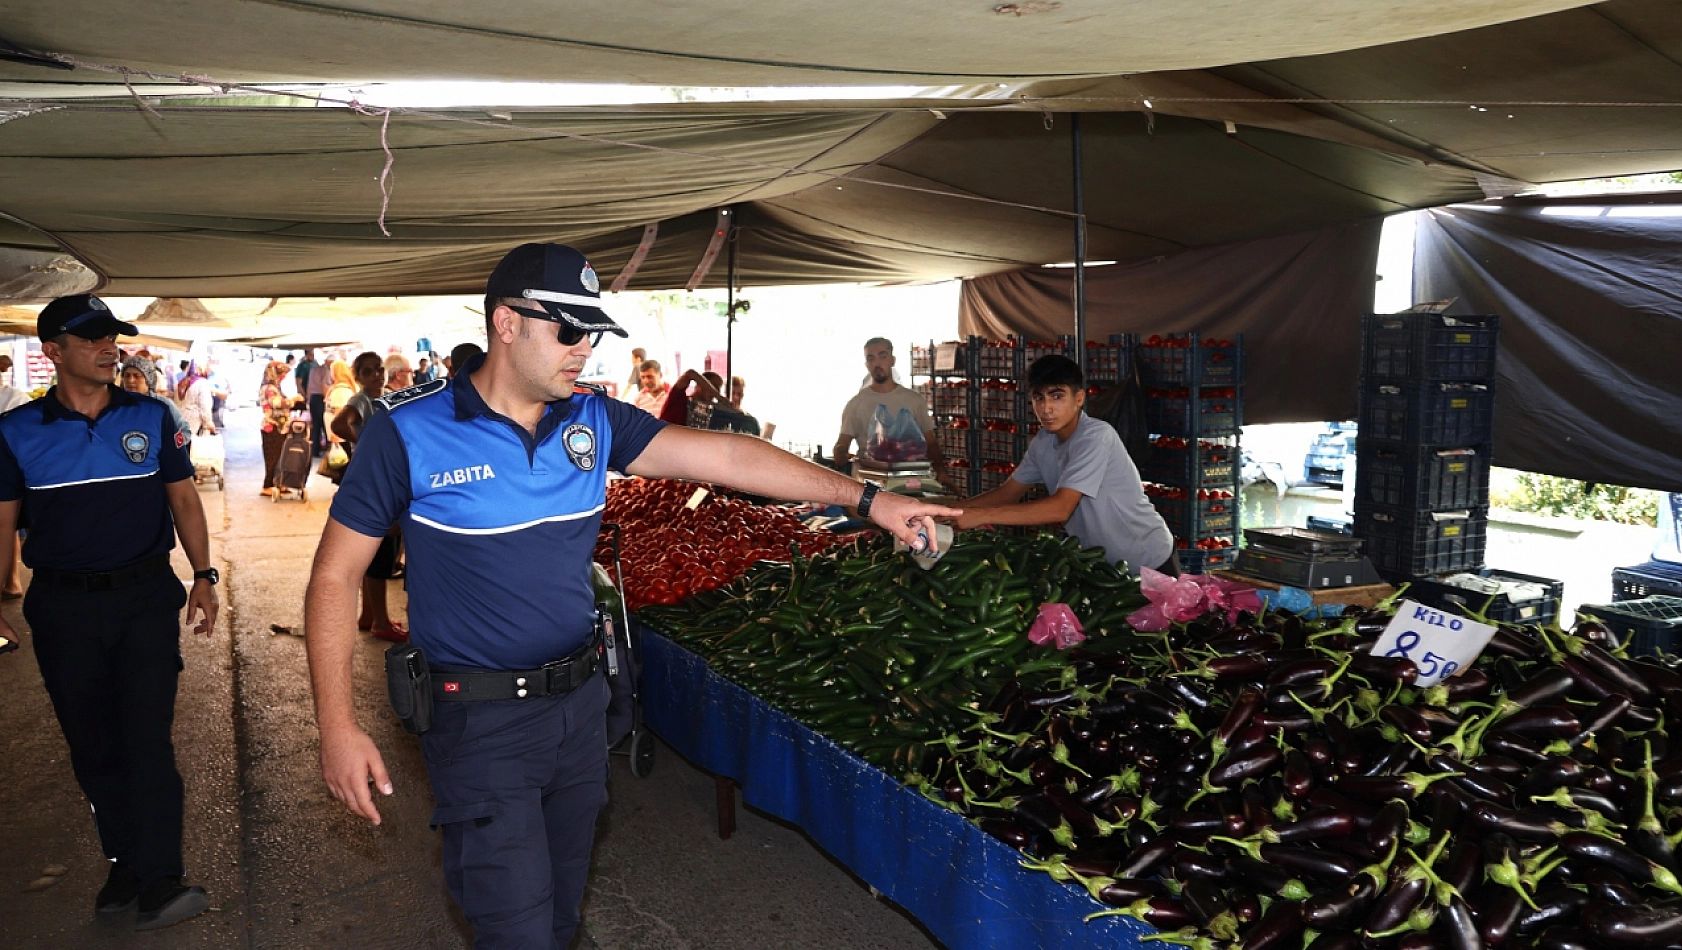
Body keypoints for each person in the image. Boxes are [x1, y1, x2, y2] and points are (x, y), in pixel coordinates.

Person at [303, 242, 951, 950]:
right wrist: (337, 726)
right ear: (506, 323)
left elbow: (727, 456)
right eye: (569, 331)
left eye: (593, 333)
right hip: (479, 725)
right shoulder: (408, 432)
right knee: (514, 928)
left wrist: (868, 499)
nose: (584, 351)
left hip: (580, 712)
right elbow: (335, 575)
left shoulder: (592, 421)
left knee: (557, 917)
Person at [0, 294, 220, 930]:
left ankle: (160, 878)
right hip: (63, 608)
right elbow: (3, 524)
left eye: (112, 337)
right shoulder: (15, 434)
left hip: (145, 599)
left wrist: (203, 576)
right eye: (92, 337)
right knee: (92, 745)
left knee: (145, 738)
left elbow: (184, 502)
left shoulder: (152, 418)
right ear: (53, 352)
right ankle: (124, 866)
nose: (109, 347)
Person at [944, 355, 1178, 577]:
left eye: (1057, 397)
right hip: (1102, 565)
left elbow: (1061, 508)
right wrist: (948, 513)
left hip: (1147, 561)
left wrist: (979, 516)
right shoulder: (1043, 442)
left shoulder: (1095, 437)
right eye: (1039, 398)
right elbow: (1008, 493)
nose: (1046, 408)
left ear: (1079, 399)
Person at [329, 352, 406, 642]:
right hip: (377, 482)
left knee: (370, 550)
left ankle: (369, 614)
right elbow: (339, 425)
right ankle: (381, 621)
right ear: (358, 375)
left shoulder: (386, 396)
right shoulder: (361, 400)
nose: (377, 375)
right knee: (381, 551)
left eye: (379, 369)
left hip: (382, 478)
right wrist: (364, 444)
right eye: (369, 371)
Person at [833, 338, 943, 474]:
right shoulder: (856, 404)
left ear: (893, 360)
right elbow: (842, 443)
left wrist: (941, 472)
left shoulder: (914, 400)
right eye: (870, 359)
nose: (876, 363)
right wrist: (841, 453)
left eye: (882, 356)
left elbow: (931, 443)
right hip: (871, 478)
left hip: (910, 478)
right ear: (866, 364)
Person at [258, 361, 294, 497]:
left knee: (280, 456)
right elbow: (277, 403)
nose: (284, 376)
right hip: (272, 427)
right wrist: (293, 400)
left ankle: (279, 482)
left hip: (279, 427)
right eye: (282, 373)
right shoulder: (269, 388)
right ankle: (268, 485)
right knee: (272, 457)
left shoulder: (275, 387)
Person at [657, 368, 726, 426]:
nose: (715, 390)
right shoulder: (679, 398)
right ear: (699, 384)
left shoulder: (708, 413)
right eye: (712, 386)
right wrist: (719, 397)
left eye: (718, 388)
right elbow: (690, 373)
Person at [178, 362, 216, 436]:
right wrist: (208, 422)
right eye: (207, 367)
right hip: (195, 424)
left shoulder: (183, 381)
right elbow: (205, 405)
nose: (209, 370)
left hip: (180, 420)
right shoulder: (202, 383)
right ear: (201, 369)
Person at [307, 350, 332, 456]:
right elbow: (324, 386)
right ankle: (328, 450)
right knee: (325, 425)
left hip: (313, 398)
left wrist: (308, 400)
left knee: (316, 426)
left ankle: (314, 451)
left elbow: (308, 386)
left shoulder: (313, 370)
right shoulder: (326, 371)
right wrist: (327, 400)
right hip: (321, 399)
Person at [206, 359, 231, 430]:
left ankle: (217, 425)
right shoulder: (204, 376)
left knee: (215, 418)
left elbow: (223, 391)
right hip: (207, 401)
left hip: (216, 399)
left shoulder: (217, 375)